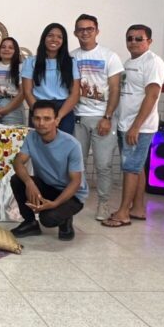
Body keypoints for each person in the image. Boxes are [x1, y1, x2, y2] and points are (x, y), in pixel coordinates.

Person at [102, 24, 164, 228]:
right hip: (125, 124)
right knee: (137, 167)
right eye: (130, 38)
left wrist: (136, 126)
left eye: (139, 38)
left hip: (139, 127)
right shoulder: (129, 62)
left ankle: (123, 213)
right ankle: (137, 208)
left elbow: (153, 95)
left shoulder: (153, 62)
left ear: (149, 41)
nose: (134, 42)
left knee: (130, 168)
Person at [70, 14, 123, 220]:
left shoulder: (109, 56)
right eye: (81, 29)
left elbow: (115, 88)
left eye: (89, 29)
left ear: (97, 31)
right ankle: (75, 201)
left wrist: (107, 116)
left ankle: (103, 203)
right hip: (77, 118)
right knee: (77, 164)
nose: (85, 32)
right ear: (75, 32)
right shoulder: (71, 56)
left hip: (102, 118)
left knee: (103, 165)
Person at [10, 100, 89, 241]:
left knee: (48, 219)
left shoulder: (72, 144)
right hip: (48, 186)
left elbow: (76, 182)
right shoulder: (31, 137)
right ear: (32, 120)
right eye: (37, 118)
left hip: (73, 195)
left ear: (57, 121)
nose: (41, 123)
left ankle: (65, 219)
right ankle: (30, 223)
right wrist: (29, 182)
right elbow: (18, 162)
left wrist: (55, 204)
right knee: (17, 179)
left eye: (47, 118)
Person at [21, 23, 81, 135]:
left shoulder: (71, 63)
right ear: (44, 38)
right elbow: (27, 92)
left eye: (59, 37)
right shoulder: (30, 62)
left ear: (64, 41)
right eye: (50, 35)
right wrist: (40, 115)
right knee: (38, 148)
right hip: (38, 107)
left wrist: (58, 117)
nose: (54, 39)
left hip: (63, 109)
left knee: (62, 149)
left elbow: (75, 93)